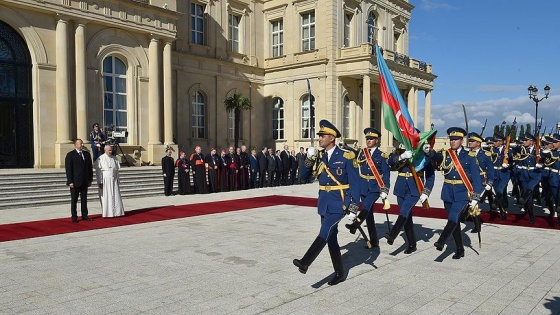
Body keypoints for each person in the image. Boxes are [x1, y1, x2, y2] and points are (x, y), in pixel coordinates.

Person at [293, 120, 360, 286]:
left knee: (325, 230)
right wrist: (308, 159)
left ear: (332, 138)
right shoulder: (320, 156)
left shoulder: (346, 156)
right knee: (331, 239)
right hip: (324, 203)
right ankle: (340, 273)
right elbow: (303, 177)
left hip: (340, 203)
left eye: (322, 136)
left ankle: (305, 262)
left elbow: (356, 183)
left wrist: (354, 206)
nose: (319, 138)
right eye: (319, 136)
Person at [427, 127, 482, 259]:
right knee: (455, 222)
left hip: (462, 193)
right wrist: (429, 151)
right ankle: (459, 248)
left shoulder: (469, 156)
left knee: (453, 216)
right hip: (447, 193)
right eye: (451, 139)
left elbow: (476, 178)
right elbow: (436, 156)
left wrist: (475, 196)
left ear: (461, 140)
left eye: (456, 139)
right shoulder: (446, 154)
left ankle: (441, 241)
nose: (453, 142)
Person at [384, 140, 435, 254]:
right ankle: (412, 244)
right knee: (407, 218)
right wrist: (402, 156)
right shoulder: (401, 152)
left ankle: (393, 234)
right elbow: (390, 161)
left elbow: (430, 176)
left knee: (404, 211)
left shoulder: (423, 156)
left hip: (414, 188)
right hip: (401, 188)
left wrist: (426, 192)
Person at [345, 128, 390, 248]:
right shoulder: (361, 153)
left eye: (371, 139)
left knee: (366, 206)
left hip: (375, 187)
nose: (368, 141)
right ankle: (374, 240)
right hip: (363, 186)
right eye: (367, 138)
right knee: (369, 215)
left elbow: (386, 174)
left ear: (377, 140)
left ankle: (355, 225)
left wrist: (385, 189)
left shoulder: (382, 155)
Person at [467, 132, 496, 233]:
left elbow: (491, 170)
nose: (469, 142)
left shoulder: (486, 155)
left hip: (480, 181)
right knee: (470, 202)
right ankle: (472, 219)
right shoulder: (467, 154)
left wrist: (490, 183)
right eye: (469, 141)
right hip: (469, 181)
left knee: (474, 202)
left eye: (472, 141)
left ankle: (477, 225)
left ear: (478, 143)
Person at [513, 132, 542, 224]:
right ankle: (531, 215)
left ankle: (522, 200)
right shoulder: (522, 150)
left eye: (526, 140)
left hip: (535, 174)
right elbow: (515, 150)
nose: (524, 142)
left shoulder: (538, 150)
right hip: (524, 174)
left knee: (529, 189)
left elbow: (546, 158)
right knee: (529, 198)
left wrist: (541, 161)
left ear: (532, 141)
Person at [65, 139, 94, 223]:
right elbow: (69, 170)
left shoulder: (86, 154)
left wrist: (90, 179)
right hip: (75, 181)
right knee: (74, 200)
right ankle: (74, 216)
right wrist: (70, 181)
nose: (82, 145)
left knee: (84, 199)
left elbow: (89, 168)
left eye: (82, 143)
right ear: (75, 145)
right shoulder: (70, 155)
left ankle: (85, 215)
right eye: (80, 143)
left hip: (84, 181)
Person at [94, 145, 124, 217]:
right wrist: (99, 182)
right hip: (105, 180)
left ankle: (117, 212)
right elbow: (98, 172)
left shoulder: (114, 158)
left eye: (111, 150)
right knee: (106, 197)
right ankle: (107, 213)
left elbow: (116, 171)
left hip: (114, 180)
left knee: (115, 196)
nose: (110, 152)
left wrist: (118, 180)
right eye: (109, 150)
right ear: (105, 150)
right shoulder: (100, 158)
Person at [490, 133, 513, 220]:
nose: (494, 143)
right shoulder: (492, 150)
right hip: (495, 173)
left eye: (496, 141)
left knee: (500, 190)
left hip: (504, 174)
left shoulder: (508, 150)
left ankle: (496, 204)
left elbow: (513, 160)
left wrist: (508, 164)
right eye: (494, 141)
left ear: (501, 142)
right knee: (498, 194)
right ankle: (502, 212)